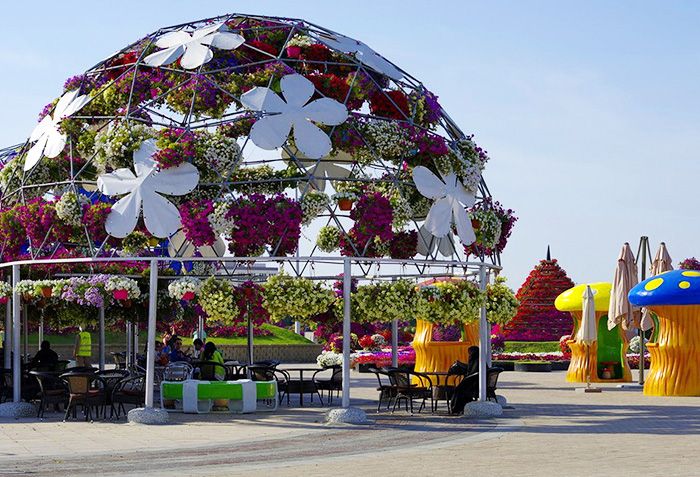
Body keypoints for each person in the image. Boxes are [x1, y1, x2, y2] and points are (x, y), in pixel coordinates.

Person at [449, 346, 480, 414]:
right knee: (459, 389)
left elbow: (472, 373)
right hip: (475, 384)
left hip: (474, 386)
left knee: (459, 390)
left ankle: (456, 408)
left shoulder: (477, 363)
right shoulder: (479, 362)